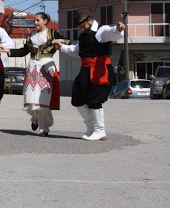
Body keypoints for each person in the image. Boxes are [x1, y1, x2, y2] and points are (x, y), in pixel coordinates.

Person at [53, 13, 124, 141]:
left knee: (95, 99)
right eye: (80, 27)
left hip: (100, 69)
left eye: (83, 26)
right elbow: (76, 51)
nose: (82, 29)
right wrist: (61, 47)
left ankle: (99, 130)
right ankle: (91, 125)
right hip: (85, 69)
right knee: (77, 98)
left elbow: (111, 33)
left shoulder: (101, 30)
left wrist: (117, 29)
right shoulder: (83, 36)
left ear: (89, 20)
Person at [0, 12, 68, 136]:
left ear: (45, 21)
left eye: (38, 20)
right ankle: (35, 118)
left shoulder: (53, 33)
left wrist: (61, 41)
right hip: (32, 68)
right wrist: (7, 50)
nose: (35, 23)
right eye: (35, 20)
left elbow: (67, 42)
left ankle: (44, 127)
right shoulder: (31, 36)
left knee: (44, 100)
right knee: (30, 98)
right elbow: (23, 51)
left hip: (46, 68)